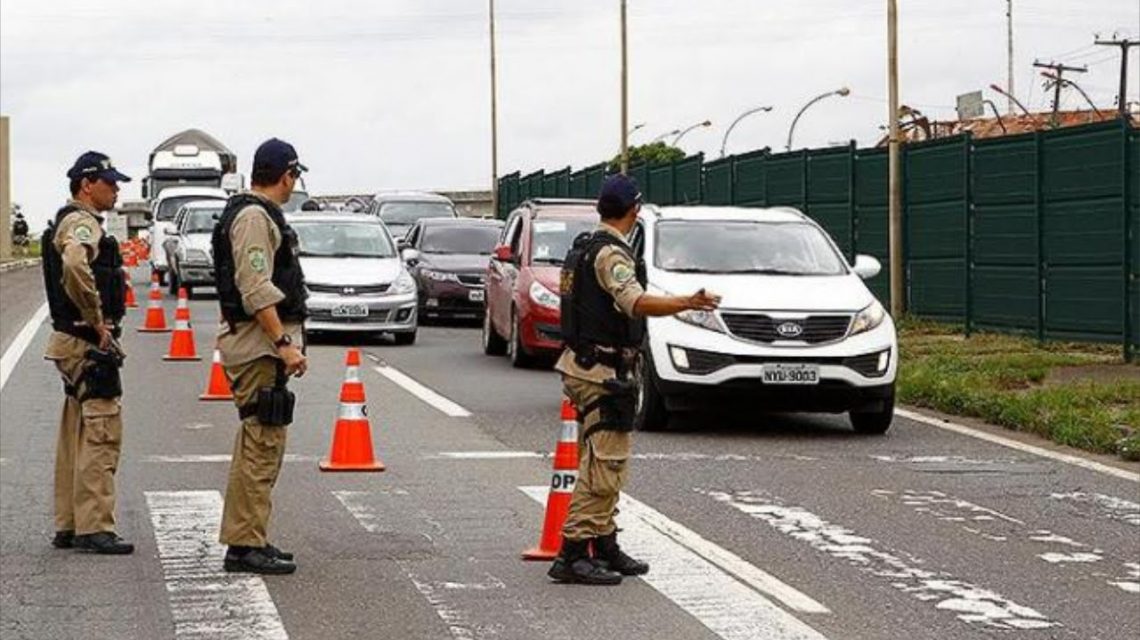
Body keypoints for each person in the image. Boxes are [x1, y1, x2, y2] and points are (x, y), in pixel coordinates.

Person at [549, 174, 720, 585]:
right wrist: (688, 303)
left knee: (603, 458)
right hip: (601, 371)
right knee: (605, 464)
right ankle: (573, 552)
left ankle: (604, 542)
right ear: (634, 211)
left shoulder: (583, 249)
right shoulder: (611, 255)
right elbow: (635, 302)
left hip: (586, 363)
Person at [212, 138, 309, 575]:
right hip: (258, 344)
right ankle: (244, 544)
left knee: (262, 440)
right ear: (286, 174)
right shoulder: (253, 217)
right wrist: (283, 344)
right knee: (261, 441)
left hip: (256, 342)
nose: (295, 184)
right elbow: (255, 287)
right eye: (295, 175)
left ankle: (250, 537)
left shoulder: (253, 213)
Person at [42, 151, 133, 554]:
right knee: (101, 430)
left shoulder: (72, 220)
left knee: (76, 430)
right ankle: (94, 526)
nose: (116, 190)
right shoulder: (81, 223)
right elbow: (76, 265)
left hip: (69, 340)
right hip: (84, 341)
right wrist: (97, 320)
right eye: (110, 183)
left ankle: (69, 522)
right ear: (86, 184)